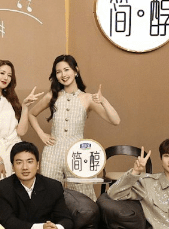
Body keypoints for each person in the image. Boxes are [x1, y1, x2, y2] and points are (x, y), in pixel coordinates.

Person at [28, 55, 120, 198]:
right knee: (49, 195)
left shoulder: (87, 98)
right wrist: (41, 134)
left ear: (76, 71)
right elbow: (31, 114)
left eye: (66, 70)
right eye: (58, 72)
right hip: (52, 153)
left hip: (78, 153)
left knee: (83, 198)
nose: (63, 75)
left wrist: (103, 101)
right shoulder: (52, 96)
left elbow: (115, 120)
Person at [0, 60, 43, 185]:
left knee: (19, 189)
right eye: (2, 73)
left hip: (15, 150)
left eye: (9, 75)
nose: (6, 77)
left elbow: (21, 132)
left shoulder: (11, 100)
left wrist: (25, 107)